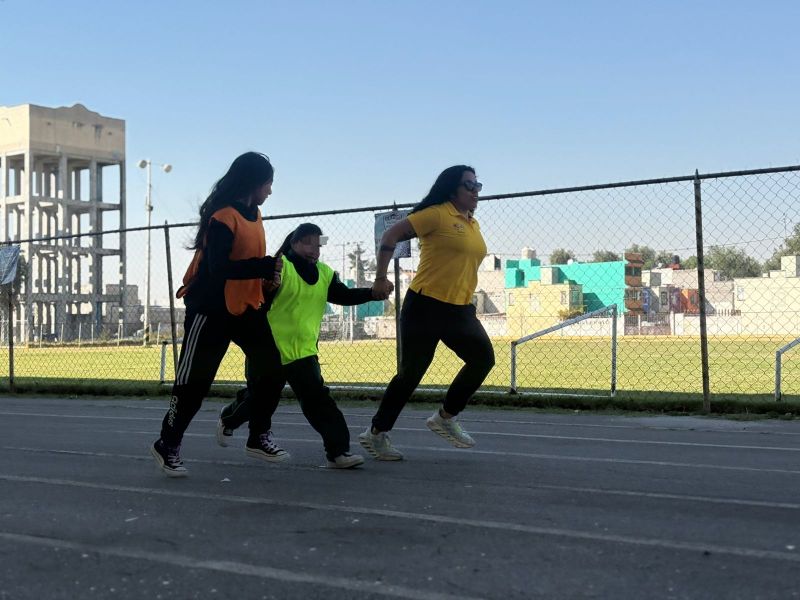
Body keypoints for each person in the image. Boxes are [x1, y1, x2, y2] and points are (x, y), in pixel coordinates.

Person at [150, 151, 284, 477]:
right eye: (268, 183)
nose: (270, 190)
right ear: (253, 182)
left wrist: (266, 279)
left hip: (246, 307)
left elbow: (247, 263)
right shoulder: (223, 217)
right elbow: (218, 268)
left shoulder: (256, 214)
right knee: (193, 386)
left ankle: (255, 434)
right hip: (210, 310)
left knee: (274, 370)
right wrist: (263, 265)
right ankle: (167, 443)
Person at [217, 223, 388, 469]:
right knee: (259, 397)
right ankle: (229, 419)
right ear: (294, 242)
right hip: (269, 348)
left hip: (304, 351)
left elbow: (343, 296)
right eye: (308, 242)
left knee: (319, 402)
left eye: (318, 244)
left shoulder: (325, 273)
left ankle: (338, 452)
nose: (314, 249)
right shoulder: (278, 267)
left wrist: (372, 293)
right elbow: (257, 301)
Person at [359, 165, 495, 461]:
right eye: (468, 185)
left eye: (477, 185)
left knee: (483, 359)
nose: (475, 191)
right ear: (451, 189)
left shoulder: (473, 223)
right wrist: (381, 277)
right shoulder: (437, 214)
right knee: (411, 374)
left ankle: (445, 417)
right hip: (425, 305)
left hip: (459, 308)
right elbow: (391, 235)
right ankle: (376, 434)